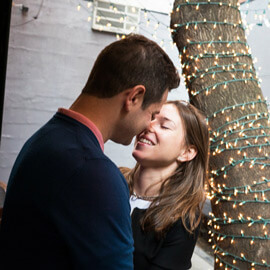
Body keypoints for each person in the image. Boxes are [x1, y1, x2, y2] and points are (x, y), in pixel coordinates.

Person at [0, 34, 180, 269]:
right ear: (134, 97)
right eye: (153, 114)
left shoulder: (46, 138)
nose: (149, 125)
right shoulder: (95, 173)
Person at [121, 100, 210, 270]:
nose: (149, 125)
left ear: (187, 152)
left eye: (164, 126)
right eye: (151, 117)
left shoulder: (182, 221)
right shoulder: (112, 179)